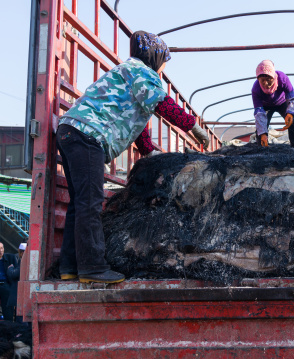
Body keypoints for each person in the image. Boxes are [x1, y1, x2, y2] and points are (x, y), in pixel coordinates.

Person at [57, 30, 210, 284]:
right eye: (162, 62)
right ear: (155, 56)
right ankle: (93, 268)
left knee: (79, 204)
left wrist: (150, 150)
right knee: (91, 203)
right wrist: (194, 127)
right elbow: (162, 103)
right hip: (86, 135)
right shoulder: (141, 71)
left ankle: (70, 266)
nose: (161, 69)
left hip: (71, 132)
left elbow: (139, 124)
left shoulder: (129, 73)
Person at [252, 60, 294, 147]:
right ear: (258, 79)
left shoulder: (282, 78)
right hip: (265, 106)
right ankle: (261, 148)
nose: (266, 83)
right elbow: (259, 113)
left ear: (274, 76)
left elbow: (292, 98)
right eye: (262, 80)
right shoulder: (256, 89)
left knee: (292, 121)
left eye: (268, 79)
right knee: (260, 129)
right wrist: (263, 134)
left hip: (282, 103)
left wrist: (290, 113)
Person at [7, 243, 26, 323]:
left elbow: (14, 274)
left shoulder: (23, 262)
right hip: (24, 294)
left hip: (20, 294)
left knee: (20, 317)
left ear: (21, 253)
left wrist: (10, 268)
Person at [0, 242, 17, 321]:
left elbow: (17, 273)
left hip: (6, 285)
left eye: (2, 248)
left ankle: (9, 328)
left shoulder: (11, 258)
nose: (1, 250)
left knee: (8, 311)